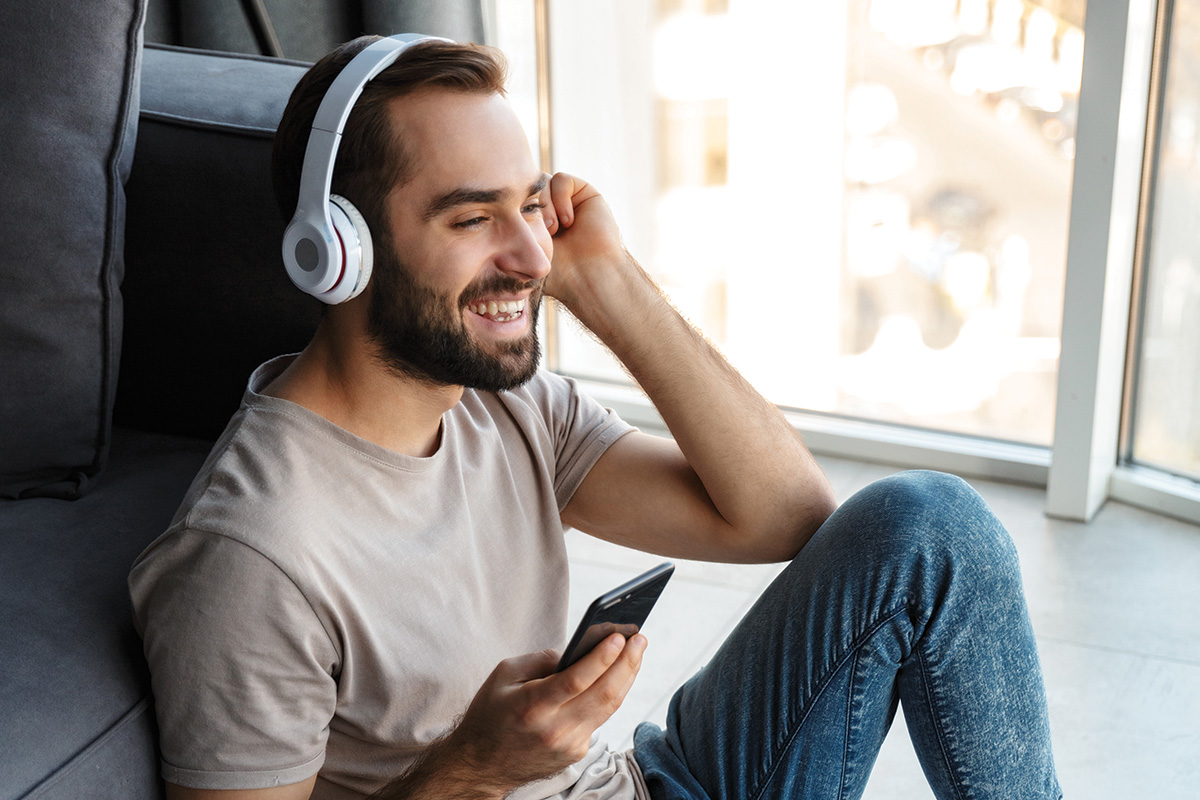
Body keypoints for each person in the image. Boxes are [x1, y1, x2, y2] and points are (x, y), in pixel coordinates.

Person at [128, 35, 1061, 800]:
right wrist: (472, 771)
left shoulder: (504, 402)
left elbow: (785, 516)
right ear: (339, 251)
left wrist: (608, 285)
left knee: (930, 527)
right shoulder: (251, 558)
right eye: (472, 219)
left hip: (651, 785)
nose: (534, 253)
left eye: (531, 204)